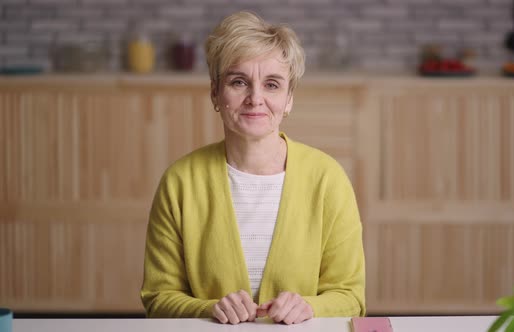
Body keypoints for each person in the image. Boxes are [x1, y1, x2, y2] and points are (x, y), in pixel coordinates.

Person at [140, 11, 365, 325]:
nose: (255, 98)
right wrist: (209, 309)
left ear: (288, 99)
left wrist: (310, 307)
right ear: (215, 94)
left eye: (272, 84)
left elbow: (350, 297)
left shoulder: (328, 180)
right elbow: (158, 298)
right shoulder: (180, 182)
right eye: (238, 82)